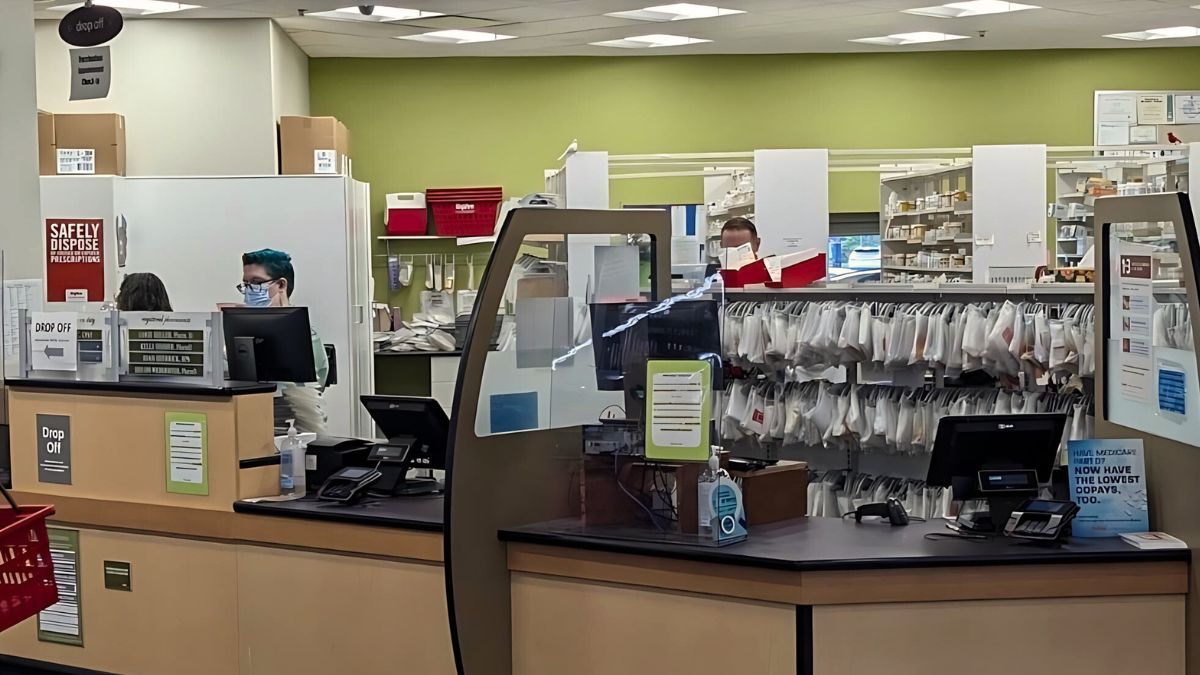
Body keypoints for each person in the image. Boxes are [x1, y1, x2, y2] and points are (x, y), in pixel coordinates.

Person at [239, 248, 330, 434]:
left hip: (294, 426)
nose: (249, 291)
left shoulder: (305, 335)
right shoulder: (241, 328)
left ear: (281, 285)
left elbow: (311, 386)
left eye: (256, 283)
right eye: (245, 284)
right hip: (253, 420)